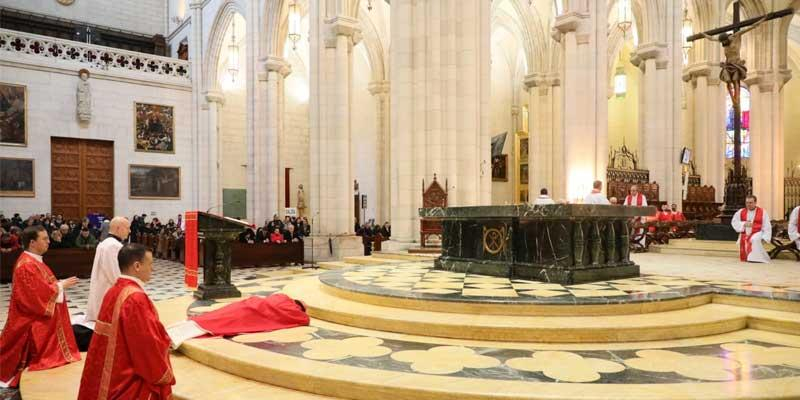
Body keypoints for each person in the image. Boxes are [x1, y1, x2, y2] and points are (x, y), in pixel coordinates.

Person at [77, 244, 175, 400]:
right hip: (127, 378)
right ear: (137, 266)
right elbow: (147, 344)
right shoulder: (136, 298)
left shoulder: (114, 290)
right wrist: (165, 341)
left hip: (113, 370)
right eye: (150, 264)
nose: (152, 269)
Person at [0, 225, 81, 387]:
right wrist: (61, 285)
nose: (48, 242)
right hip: (28, 319)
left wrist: (57, 285)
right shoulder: (27, 265)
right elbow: (35, 297)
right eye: (44, 239)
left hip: (34, 312)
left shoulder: (33, 261)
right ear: (32, 243)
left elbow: (42, 287)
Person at [77, 217, 131, 350]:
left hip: (102, 285)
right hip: (109, 288)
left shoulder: (106, 243)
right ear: (118, 228)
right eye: (127, 228)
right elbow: (114, 272)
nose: (129, 231)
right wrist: (128, 288)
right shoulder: (113, 246)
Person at [731, 195, 772, 263]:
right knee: (745, 238)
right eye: (747, 202)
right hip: (745, 232)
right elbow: (734, 222)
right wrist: (743, 224)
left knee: (754, 239)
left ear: (755, 203)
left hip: (758, 231)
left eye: (750, 202)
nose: (748, 204)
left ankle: (756, 258)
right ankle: (748, 257)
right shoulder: (741, 211)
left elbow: (767, 225)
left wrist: (765, 236)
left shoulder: (762, 212)